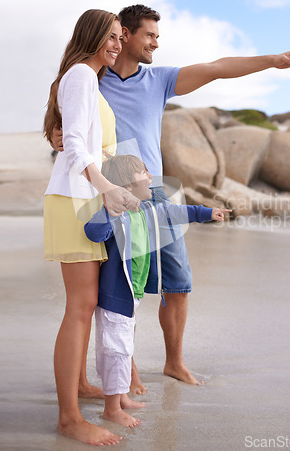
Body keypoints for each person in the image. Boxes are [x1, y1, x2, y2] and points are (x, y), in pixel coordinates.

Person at [51, 4, 290, 387]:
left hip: (157, 191)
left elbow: (217, 67)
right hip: (112, 196)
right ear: (125, 34)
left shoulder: (158, 79)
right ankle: (128, 369)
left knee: (178, 281)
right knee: (121, 287)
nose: (157, 43)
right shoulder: (92, 77)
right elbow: (63, 125)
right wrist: (54, 137)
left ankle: (175, 361)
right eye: (150, 35)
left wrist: (273, 60)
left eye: (158, 36)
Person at [43, 9, 140, 446]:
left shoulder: (86, 78)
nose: (117, 44)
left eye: (121, 37)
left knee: (83, 305)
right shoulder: (82, 75)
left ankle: (81, 386)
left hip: (83, 199)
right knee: (80, 308)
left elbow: (76, 139)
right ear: (92, 36)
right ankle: (69, 418)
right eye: (111, 36)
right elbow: (78, 145)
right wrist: (105, 187)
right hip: (77, 201)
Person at [84, 155, 230, 426]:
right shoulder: (117, 213)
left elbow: (176, 212)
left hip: (133, 295)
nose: (151, 177)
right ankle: (111, 409)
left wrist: (207, 213)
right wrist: (108, 212)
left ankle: (121, 398)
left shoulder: (148, 209)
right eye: (143, 174)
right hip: (116, 296)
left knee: (122, 348)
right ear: (127, 186)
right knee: (115, 350)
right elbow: (93, 232)